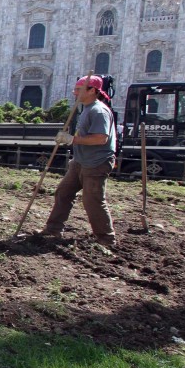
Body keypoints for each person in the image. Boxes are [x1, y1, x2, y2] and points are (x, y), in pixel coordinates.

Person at [38, 75, 117, 247]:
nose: (75, 93)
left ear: (93, 91)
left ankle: (106, 238)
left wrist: (72, 139)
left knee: (93, 200)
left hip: (96, 163)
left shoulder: (99, 111)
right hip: (80, 161)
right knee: (63, 192)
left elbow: (100, 138)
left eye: (79, 90)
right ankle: (53, 229)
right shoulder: (87, 108)